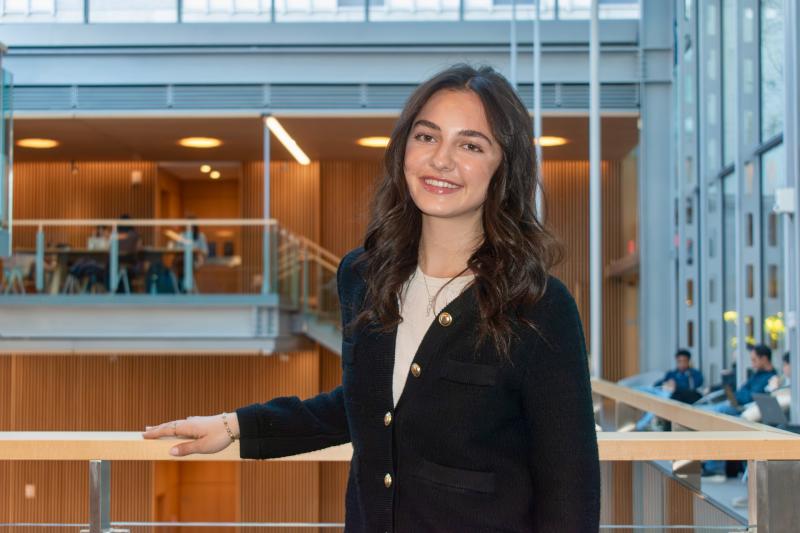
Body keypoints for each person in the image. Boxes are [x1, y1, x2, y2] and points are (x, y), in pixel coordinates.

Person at [143, 63, 601, 532]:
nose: (441, 160)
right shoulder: (363, 277)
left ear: (505, 165)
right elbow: (368, 405)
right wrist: (234, 426)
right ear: (403, 148)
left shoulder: (538, 305)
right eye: (426, 137)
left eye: (470, 145)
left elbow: (571, 488)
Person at [700, 343, 777, 478]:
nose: (752, 364)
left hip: (748, 412)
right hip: (739, 406)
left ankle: (714, 465)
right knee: (703, 411)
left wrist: (739, 396)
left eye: (754, 360)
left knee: (718, 412)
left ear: (764, 359)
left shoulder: (770, 377)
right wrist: (739, 396)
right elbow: (743, 392)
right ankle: (705, 459)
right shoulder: (757, 375)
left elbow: (750, 396)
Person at [634, 349, 704, 431]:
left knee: (662, 397)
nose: (681, 364)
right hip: (663, 392)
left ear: (689, 361)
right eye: (679, 361)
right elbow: (660, 383)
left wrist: (676, 386)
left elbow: (692, 387)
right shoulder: (672, 373)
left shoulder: (694, 374)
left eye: (684, 361)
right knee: (645, 390)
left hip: (679, 396)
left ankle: (642, 425)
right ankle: (630, 392)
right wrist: (666, 383)